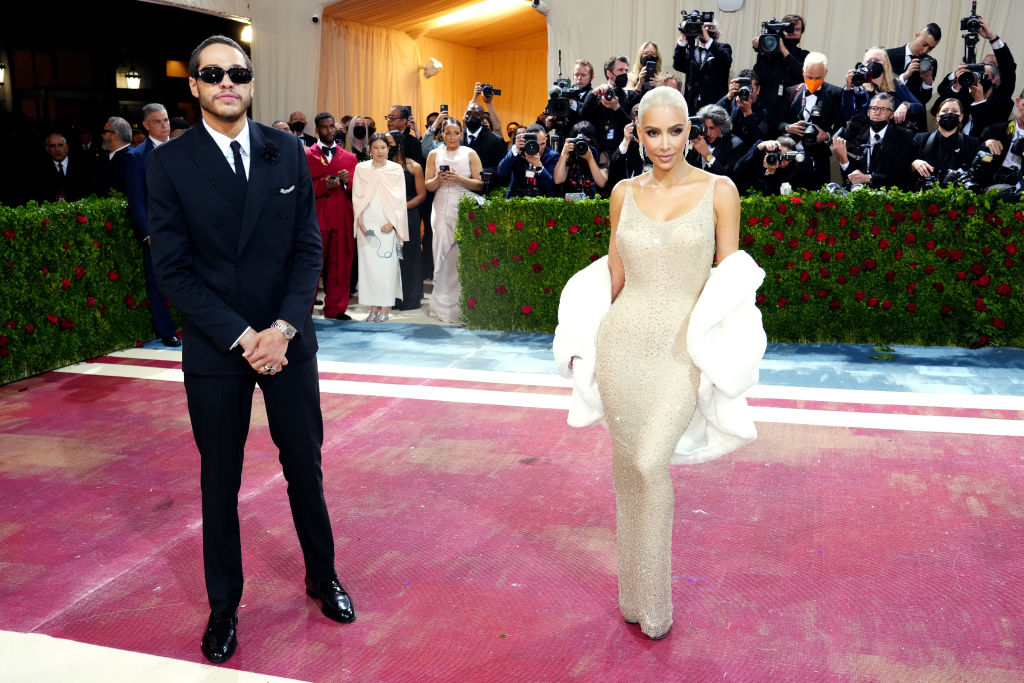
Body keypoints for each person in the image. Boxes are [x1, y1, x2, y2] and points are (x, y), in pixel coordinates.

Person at [148, 35, 355, 665]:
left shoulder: (284, 148)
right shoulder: (169, 162)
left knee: (305, 466)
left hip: (287, 339)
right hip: (218, 347)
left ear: (252, 81)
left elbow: (306, 251)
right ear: (195, 86)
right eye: (212, 74)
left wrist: (284, 330)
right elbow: (175, 272)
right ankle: (224, 605)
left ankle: (322, 575)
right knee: (220, 480)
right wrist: (244, 337)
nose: (226, 82)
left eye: (237, 72)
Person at [596, 85, 740, 641]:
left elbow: (729, 281)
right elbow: (615, 273)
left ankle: (654, 603)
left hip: (682, 350)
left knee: (652, 463)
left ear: (692, 130)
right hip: (622, 345)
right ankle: (631, 594)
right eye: (652, 132)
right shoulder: (622, 194)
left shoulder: (719, 190)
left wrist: (729, 354)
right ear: (638, 130)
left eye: (675, 131)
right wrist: (587, 342)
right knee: (628, 469)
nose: (664, 144)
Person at [124, 103, 180, 348]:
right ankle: (166, 330)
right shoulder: (136, 157)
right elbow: (136, 199)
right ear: (146, 125)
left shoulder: (183, 150)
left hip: (188, 228)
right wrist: (146, 233)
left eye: (166, 120)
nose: (164, 125)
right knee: (158, 282)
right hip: (157, 231)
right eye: (157, 122)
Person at [424, 118, 483, 324]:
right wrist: (438, 180)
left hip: (465, 205)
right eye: (447, 133)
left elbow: (479, 184)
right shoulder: (434, 154)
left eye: (456, 132)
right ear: (442, 134)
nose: (452, 137)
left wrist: (459, 179)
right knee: (440, 251)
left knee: (462, 255)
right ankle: (441, 307)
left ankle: (463, 307)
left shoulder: (470, 153)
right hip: (441, 206)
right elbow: (428, 185)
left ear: (462, 134)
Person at [306, 111, 358, 321]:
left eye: (332, 127)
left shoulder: (349, 157)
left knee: (340, 265)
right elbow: (300, 187)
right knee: (311, 267)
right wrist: (321, 185)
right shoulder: (306, 155)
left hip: (342, 216)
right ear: (317, 130)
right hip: (316, 217)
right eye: (325, 127)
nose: (330, 131)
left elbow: (357, 189)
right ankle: (304, 310)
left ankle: (336, 309)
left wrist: (346, 182)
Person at [352, 133, 409, 322]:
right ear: (370, 149)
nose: (379, 151)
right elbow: (357, 196)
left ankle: (385, 307)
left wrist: (393, 223)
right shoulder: (361, 168)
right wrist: (359, 220)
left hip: (387, 222)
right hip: (366, 223)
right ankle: (373, 307)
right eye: (375, 147)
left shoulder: (395, 169)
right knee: (369, 269)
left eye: (383, 147)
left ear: (388, 149)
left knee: (387, 267)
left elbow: (400, 200)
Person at [777, 52, 844, 190]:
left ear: (825, 73)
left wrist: (826, 136)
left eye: (818, 78)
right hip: (790, 158)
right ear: (803, 72)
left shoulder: (836, 93)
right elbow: (776, 121)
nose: (813, 81)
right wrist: (788, 127)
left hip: (819, 159)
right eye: (809, 77)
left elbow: (841, 126)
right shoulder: (791, 91)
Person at [832, 92, 915, 191]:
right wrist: (843, 159)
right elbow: (851, 176)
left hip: (888, 193)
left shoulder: (904, 136)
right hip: (858, 193)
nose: (877, 112)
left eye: (884, 109)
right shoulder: (857, 135)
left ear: (892, 115)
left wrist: (868, 178)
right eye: (874, 108)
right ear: (868, 112)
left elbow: (901, 175)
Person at [384, 130, 426, 311]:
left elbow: (421, 195)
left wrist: (402, 208)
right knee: (389, 257)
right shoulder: (382, 167)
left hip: (408, 215)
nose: (385, 147)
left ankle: (411, 297)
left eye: (389, 143)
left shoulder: (414, 166)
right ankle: (391, 297)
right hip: (385, 216)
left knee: (410, 254)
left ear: (399, 145)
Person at [841, 48, 925, 131]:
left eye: (877, 60)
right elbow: (847, 114)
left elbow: (919, 107)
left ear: (886, 64)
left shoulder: (896, 85)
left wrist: (906, 105)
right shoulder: (859, 88)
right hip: (866, 137)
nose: (873, 64)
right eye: (869, 62)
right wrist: (848, 88)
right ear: (863, 65)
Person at [580, 56, 643, 155]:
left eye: (626, 70)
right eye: (620, 70)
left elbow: (633, 128)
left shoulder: (632, 96)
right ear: (609, 73)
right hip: (597, 153)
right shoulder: (596, 96)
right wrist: (594, 93)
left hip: (623, 153)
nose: (625, 74)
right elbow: (582, 119)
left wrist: (617, 108)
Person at [910, 97, 981, 186]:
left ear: (961, 117)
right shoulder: (920, 138)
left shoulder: (973, 143)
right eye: (945, 111)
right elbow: (903, 164)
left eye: (954, 111)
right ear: (937, 116)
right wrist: (913, 163)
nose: (950, 114)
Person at [752, 13, 808, 116]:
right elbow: (757, 77)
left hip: (791, 109)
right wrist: (762, 53)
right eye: (789, 29)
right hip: (767, 110)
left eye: (797, 29)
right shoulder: (769, 55)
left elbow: (802, 75)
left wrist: (783, 49)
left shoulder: (804, 55)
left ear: (801, 33)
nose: (793, 32)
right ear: (781, 30)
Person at [673, 20, 732, 113]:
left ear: (716, 32)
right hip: (692, 104)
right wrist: (683, 37)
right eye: (704, 27)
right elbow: (678, 65)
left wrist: (708, 40)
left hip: (715, 105)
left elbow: (725, 60)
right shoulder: (691, 50)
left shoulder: (723, 48)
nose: (707, 29)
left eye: (711, 27)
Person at [496, 123, 559, 198]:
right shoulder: (517, 150)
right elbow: (501, 172)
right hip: (515, 198)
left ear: (546, 139)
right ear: (525, 141)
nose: (539, 149)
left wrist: (538, 165)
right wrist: (515, 150)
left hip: (541, 201)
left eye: (542, 144)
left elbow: (550, 187)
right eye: (535, 144)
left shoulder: (552, 156)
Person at [887, 23, 942, 108]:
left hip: (914, 115)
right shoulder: (888, 56)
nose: (925, 50)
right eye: (924, 44)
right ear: (916, 36)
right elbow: (883, 89)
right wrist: (904, 76)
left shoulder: (930, 63)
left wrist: (927, 82)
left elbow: (924, 100)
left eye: (931, 48)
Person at [685, 104, 748, 176]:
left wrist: (707, 155)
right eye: (705, 128)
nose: (708, 133)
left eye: (712, 128)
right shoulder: (698, 137)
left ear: (722, 128)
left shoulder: (736, 145)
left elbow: (728, 178)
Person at [553, 120, 608, 198]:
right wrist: (564, 154)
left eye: (584, 142)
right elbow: (558, 180)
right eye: (577, 142)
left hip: (594, 204)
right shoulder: (569, 155)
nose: (581, 145)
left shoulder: (599, 154)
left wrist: (590, 159)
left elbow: (601, 183)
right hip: (571, 203)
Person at [717, 69, 773, 146]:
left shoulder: (765, 110)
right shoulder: (731, 102)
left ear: (758, 90)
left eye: (750, 88)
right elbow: (712, 116)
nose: (746, 92)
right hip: (727, 148)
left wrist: (748, 113)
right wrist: (728, 96)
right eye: (742, 88)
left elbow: (760, 139)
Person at [30, 133, 90, 202]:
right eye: (52, 146)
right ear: (47, 150)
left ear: (66, 148)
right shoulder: (39, 170)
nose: (57, 149)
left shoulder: (82, 166)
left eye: (60, 145)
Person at [733, 135, 801, 195]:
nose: (784, 162)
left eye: (788, 159)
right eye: (781, 157)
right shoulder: (761, 152)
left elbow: (777, 194)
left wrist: (770, 172)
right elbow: (738, 170)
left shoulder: (791, 167)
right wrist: (759, 147)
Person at [93, 116, 132, 196]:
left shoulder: (133, 157)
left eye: (104, 132)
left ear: (115, 136)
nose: (102, 135)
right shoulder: (104, 157)